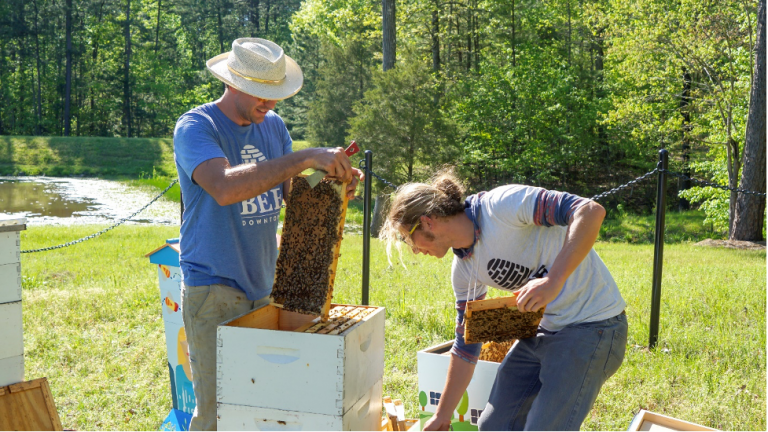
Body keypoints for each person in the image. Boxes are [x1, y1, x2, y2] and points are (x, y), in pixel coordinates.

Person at [173, 38, 361, 431]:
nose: (270, 104)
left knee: (261, 405)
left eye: (274, 95)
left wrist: (331, 184)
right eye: (261, 95)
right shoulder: (196, 126)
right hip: (214, 288)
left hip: (264, 285)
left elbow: (294, 195)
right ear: (233, 81)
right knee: (217, 411)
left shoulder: (273, 126)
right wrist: (305, 156)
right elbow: (224, 187)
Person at [381, 168, 626, 432]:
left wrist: (554, 279)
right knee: (494, 425)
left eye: (410, 238)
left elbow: (590, 211)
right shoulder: (464, 270)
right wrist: (442, 415)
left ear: (428, 221)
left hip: (594, 326)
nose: (415, 250)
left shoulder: (502, 206)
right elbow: (466, 346)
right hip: (542, 331)